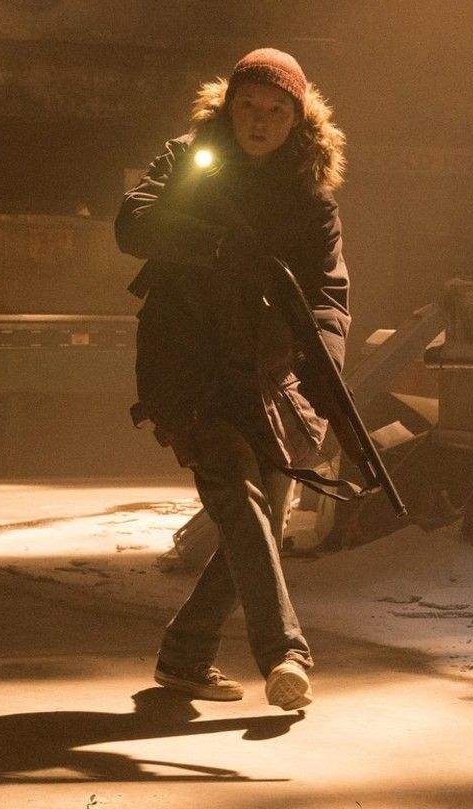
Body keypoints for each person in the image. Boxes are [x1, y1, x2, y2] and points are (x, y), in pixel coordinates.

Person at [115, 47, 349, 711]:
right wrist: (214, 244)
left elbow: (328, 300)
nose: (259, 120)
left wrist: (323, 374)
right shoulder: (188, 161)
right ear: (228, 106)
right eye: (248, 105)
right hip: (188, 371)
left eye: (276, 110)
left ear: (298, 121)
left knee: (264, 520)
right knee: (242, 506)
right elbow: (133, 223)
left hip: (267, 382)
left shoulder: (310, 200)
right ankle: (286, 654)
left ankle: (185, 655)